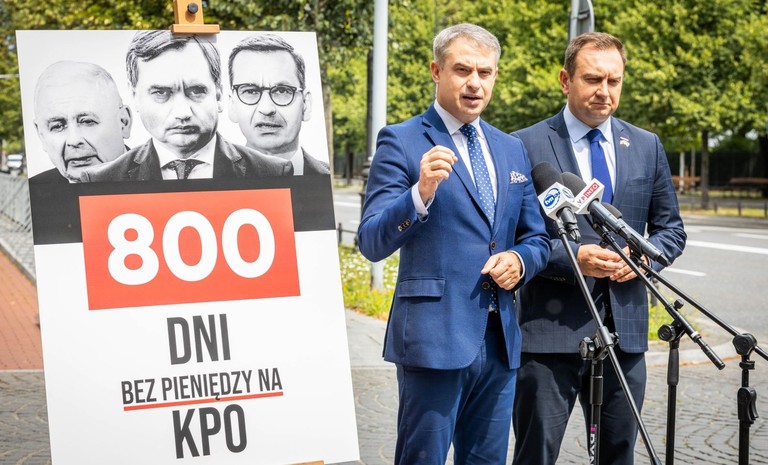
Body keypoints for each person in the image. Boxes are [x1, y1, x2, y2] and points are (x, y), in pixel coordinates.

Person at [357, 24, 550, 465]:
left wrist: (520, 260)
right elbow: (370, 241)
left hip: (500, 340)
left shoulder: (511, 148)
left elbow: (536, 236)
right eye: (462, 70)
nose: (474, 83)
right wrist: (419, 192)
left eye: (485, 72)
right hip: (433, 339)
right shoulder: (401, 140)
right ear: (436, 71)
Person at [510, 32, 687, 465]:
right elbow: (511, 236)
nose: (604, 91)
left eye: (614, 80)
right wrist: (573, 260)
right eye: (592, 79)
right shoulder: (523, 145)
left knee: (619, 454)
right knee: (536, 454)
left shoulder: (646, 145)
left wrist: (643, 258)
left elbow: (671, 230)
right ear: (565, 80)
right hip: (548, 333)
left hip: (625, 331)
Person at [82, 30, 292, 182]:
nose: (182, 113)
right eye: (161, 93)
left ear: (218, 93)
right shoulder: (100, 181)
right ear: (135, 96)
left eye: (196, 91)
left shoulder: (274, 174)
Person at [227, 33, 330, 175]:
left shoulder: (328, 179)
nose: (267, 108)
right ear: (232, 105)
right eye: (250, 91)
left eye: (282, 91)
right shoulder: (211, 178)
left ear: (306, 104)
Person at [30, 61, 132, 183]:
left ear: (123, 122)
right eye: (57, 126)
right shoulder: (34, 190)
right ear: (41, 135)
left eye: (87, 121)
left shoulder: (153, 177)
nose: (73, 141)